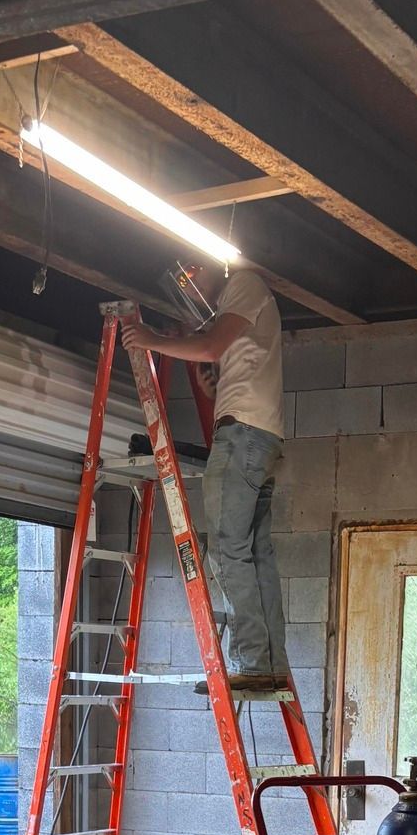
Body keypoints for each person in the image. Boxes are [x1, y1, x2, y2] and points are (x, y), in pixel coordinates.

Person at [120, 260, 288, 695]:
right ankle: (270, 663)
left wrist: (154, 340)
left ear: (218, 265)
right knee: (254, 552)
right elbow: (222, 356)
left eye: (193, 273)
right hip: (260, 436)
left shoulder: (245, 284)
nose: (190, 283)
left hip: (243, 436)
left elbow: (212, 346)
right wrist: (213, 381)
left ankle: (252, 662)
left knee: (228, 551)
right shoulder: (245, 306)